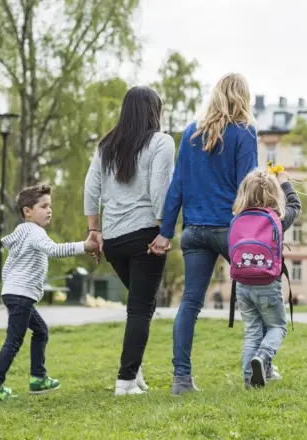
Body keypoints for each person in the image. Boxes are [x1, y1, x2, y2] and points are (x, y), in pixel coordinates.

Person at [148, 73, 259, 395]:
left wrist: (165, 232)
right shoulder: (244, 132)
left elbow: (177, 186)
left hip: (194, 231)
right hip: (231, 229)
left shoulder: (191, 133)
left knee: (190, 304)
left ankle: (181, 379)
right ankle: (261, 362)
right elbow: (247, 186)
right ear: (243, 97)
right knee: (259, 295)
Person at [84, 86, 175, 396]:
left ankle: (134, 373)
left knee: (141, 306)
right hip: (146, 237)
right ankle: (124, 382)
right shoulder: (160, 143)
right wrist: (165, 231)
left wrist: (94, 231)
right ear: (154, 112)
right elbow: (159, 188)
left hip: (114, 241)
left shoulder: (106, 146)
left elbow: (90, 188)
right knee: (140, 308)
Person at [0, 183, 99, 403]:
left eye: (49, 206)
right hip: (21, 295)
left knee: (41, 331)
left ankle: (38, 378)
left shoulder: (22, 233)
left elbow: (8, 267)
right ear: (27, 211)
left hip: (15, 294)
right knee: (14, 341)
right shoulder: (35, 232)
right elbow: (54, 250)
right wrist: (84, 246)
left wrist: (10, 289)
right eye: (43, 206)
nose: (49, 210)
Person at [229, 169, 301, 388]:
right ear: (274, 195)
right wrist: (285, 183)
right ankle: (262, 357)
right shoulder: (278, 219)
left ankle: (250, 379)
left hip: (242, 284)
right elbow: (295, 206)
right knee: (277, 327)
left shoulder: (237, 218)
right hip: (268, 284)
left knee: (252, 331)